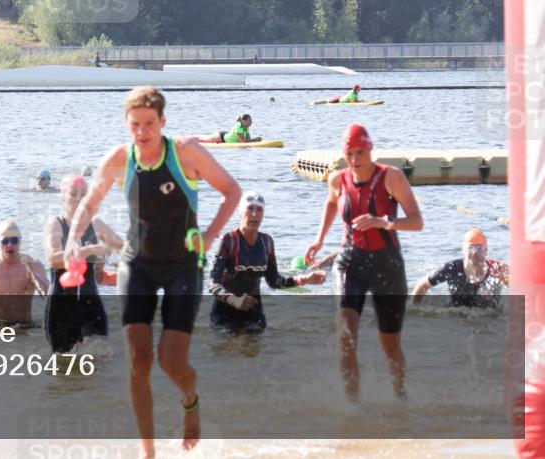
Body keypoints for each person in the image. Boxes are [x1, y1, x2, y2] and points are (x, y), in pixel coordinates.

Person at [64, 86, 241, 457]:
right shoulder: (119, 158)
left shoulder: (185, 152)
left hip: (183, 264)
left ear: (162, 121)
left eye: (149, 124)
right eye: (135, 125)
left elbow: (232, 192)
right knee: (138, 361)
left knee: (171, 361)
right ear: (127, 124)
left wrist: (209, 236)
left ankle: (190, 400)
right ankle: (148, 452)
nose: (142, 132)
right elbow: (89, 205)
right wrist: (73, 241)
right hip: (137, 264)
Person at [304, 123, 423, 402]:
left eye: (360, 153)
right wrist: (319, 239)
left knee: (390, 345)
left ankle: (400, 395)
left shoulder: (391, 177)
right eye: (350, 154)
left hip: (387, 266)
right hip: (350, 263)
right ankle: (352, 406)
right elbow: (332, 202)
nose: (355, 160)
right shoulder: (338, 179)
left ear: (370, 150)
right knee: (345, 339)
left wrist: (384, 222)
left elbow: (417, 222)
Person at [209, 192, 325, 333]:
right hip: (225, 314)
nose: (254, 214)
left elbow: (274, 280)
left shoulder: (267, 242)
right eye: (250, 208)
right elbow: (212, 284)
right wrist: (235, 300)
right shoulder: (228, 241)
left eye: (259, 210)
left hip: (254, 314)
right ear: (240, 212)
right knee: (228, 351)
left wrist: (305, 279)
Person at [42, 174, 124, 353]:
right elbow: (52, 257)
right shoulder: (55, 224)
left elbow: (124, 248)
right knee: (62, 363)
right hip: (61, 305)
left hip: (91, 304)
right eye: (73, 193)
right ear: (62, 196)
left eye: (84, 194)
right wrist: (89, 251)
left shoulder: (96, 225)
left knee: (101, 358)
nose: (79, 199)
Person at [411, 228, 509, 308]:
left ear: (486, 250)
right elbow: (423, 285)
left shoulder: (497, 269)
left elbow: (521, 288)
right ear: (463, 249)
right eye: (470, 248)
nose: (474, 252)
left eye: (479, 248)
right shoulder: (451, 268)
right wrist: (414, 308)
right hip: (456, 316)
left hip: (488, 319)